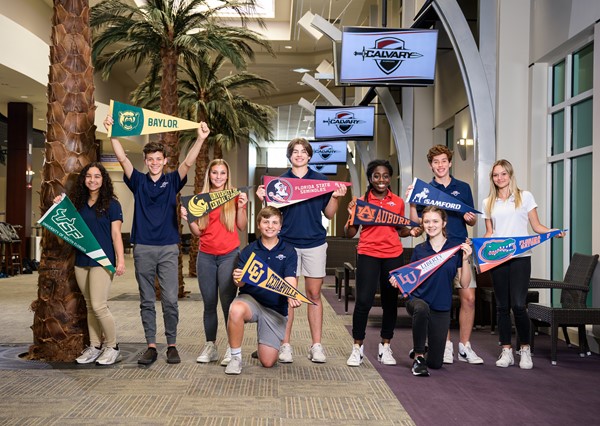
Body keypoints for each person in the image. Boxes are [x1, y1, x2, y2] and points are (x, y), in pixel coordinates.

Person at [104, 115, 210, 366]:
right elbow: (122, 159)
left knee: (171, 299)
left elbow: (188, 161)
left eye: (158, 159)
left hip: (168, 248)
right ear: (146, 161)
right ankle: (151, 345)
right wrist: (113, 135)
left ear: (164, 161)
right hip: (143, 248)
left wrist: (200, 139)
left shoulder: (172, 180)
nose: (154, 163)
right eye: (150, 159)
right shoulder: (138, 181)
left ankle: (171, 344)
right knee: (147, 299)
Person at [256, 138, 347, 363]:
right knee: (288, 296)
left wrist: (335, 197)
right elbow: (270, 216)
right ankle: (285, 345)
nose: (299, 155)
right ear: (290, 156)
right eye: (295, 151)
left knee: (314, 295)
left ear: (309, 156)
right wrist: (262, 200)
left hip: (315, 243)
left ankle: (316, 345)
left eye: (303, 151)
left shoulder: (321, 180)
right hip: (286, 245)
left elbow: (329, 214)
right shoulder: (280, 182)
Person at [482, 159, 562, 369]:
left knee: (518, 305)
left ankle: (524, 349)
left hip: (521, 257)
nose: (499, 178)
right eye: (495, 175)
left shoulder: (524, 197)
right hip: (498, 257)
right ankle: (506, 350)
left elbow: (536, 226)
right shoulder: (488, 202)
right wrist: (479, 247)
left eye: (503, 174)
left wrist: (552, 231)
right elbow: (490, 233)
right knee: (501, 306)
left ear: (510, 175)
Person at [408, 145, 483, 365]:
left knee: (468, 298)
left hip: (460, 249)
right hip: (437, 252)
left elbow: (472, 218)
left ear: (450, 163)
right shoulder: (425, 189)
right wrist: (412, 202)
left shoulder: (464, 187)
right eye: (435, 162)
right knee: (442, 298)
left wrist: (471, 219)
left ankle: (465, 346)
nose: (440, 165)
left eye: (443, 161)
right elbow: (417, 223)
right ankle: (446, 344)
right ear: (431, 165)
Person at [344, 159, 419, 367]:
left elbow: (400, 229)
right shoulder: (361, 202)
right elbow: (349, 234)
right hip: (368, 253)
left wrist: (410, 230)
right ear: (370, 178)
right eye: (377, 176)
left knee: (389, 302)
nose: (381, 180)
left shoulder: (397, 202)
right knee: (363, 302)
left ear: (390, 178)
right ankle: (357, 347)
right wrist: (351, 216)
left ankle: (385, 346)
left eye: (385, 176)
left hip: (393, 254)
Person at [180, 159, 248, 366]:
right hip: (206, 256)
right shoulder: (200, 199)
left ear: (228, 176)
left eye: (222, 173)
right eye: (215, 173)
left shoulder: (235, 196)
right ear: (209, 175)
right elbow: (198, 232)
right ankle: (211, 346)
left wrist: (243, 208)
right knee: (209, 304)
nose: (218, 177)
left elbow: (242, 227)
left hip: (229, 255)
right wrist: (189, 218)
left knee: (228, 304)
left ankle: (232, 347)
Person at [391, 206, 472, 377]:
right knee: (421, 309)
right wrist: (398, 280)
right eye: (426, 221)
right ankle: (419, 357)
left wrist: (465, 260)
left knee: (436, 363)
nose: (430, 225)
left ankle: (424, 350)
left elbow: (465, 284)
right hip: (418, 300)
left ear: (444, 223)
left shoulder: (454, 249)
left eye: (435, 221)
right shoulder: (420, 250)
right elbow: (409, 277)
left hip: (441, 306)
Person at [61, 162, 126, 365]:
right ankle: (95, 346)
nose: (92, 180)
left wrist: (121, 260)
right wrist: (58, 203)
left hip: (103, 260)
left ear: (103, 179)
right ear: (84, 179)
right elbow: (65, 220)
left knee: (99, 305)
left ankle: (113, 347)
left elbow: (116, 235)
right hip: (82, 260)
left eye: (97, 176)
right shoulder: (78, 203)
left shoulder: (112, 204)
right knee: (90, 305)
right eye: (89, 176)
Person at [226, 206, 300, 375]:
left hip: (275, 309)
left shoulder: (289, 251)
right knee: (235, 309)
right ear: (258, 225)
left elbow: (290, 279)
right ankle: (235, 358)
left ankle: (263, 346)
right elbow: (240, 284)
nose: (270, 226)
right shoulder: (249, 250)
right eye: (266, 222)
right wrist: (237, 278)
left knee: (267, 362)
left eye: (275, 222)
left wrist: (292, 294)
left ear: (280, 226)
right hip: (251, 301)